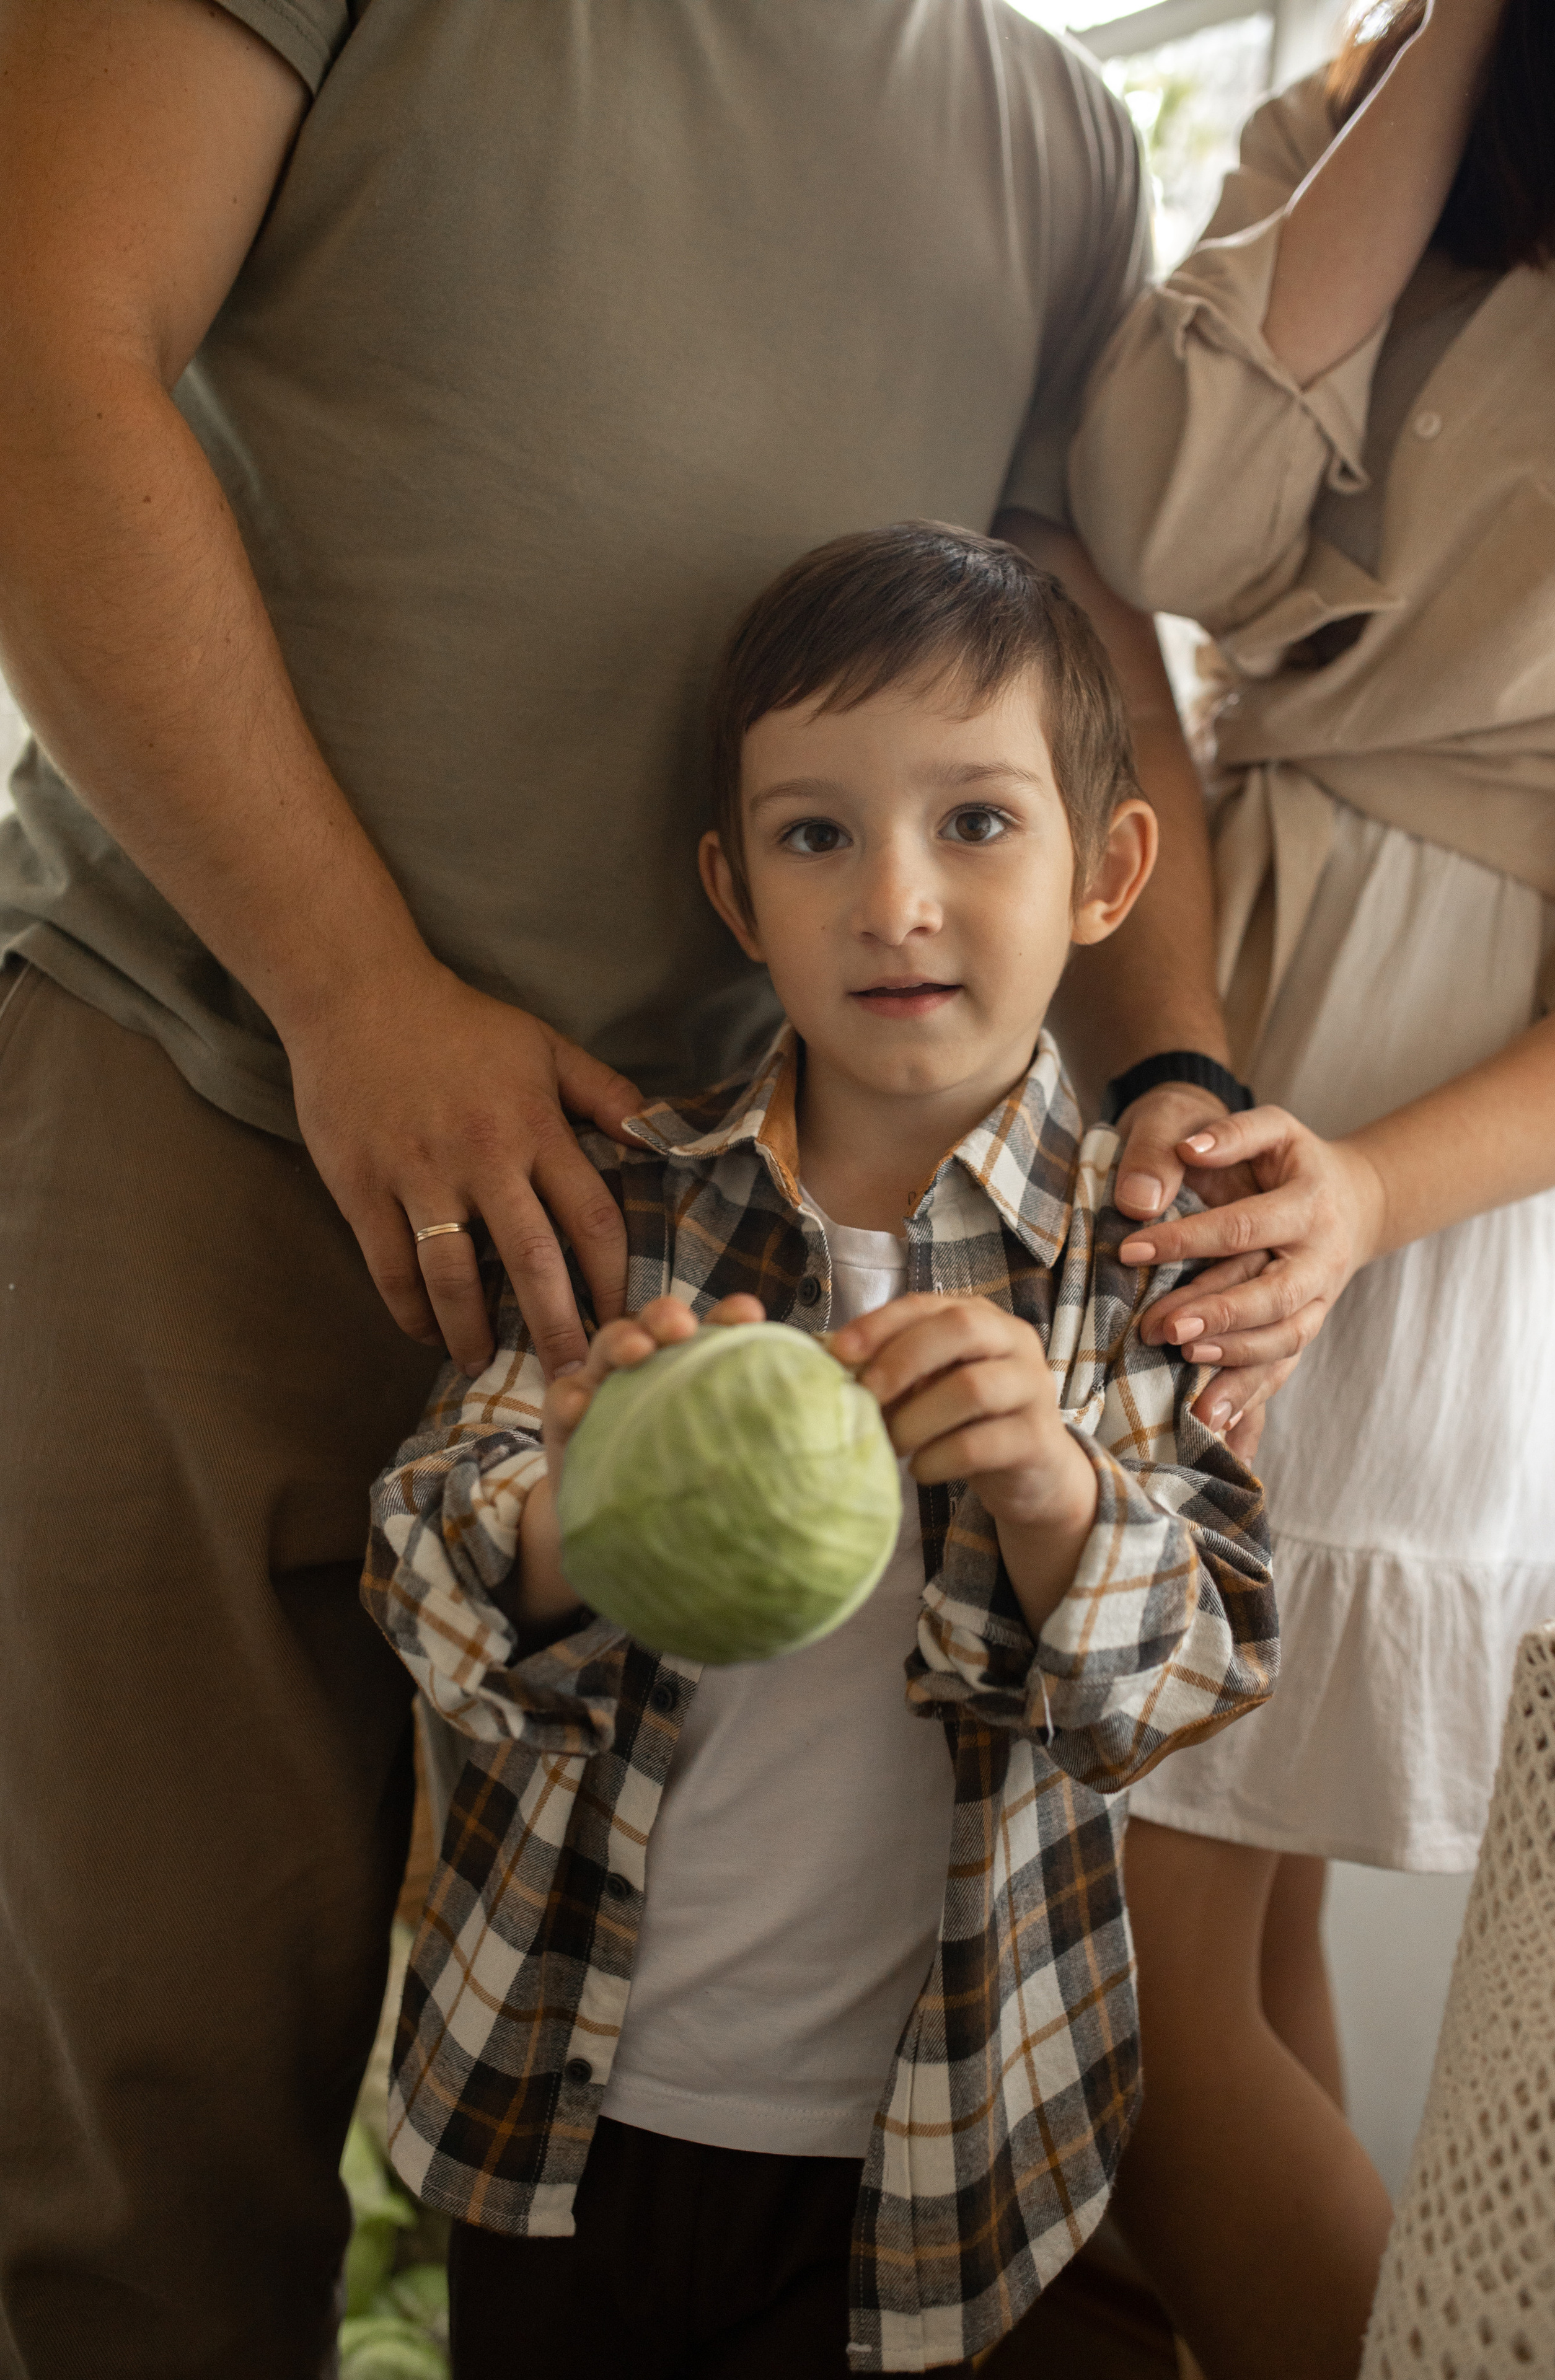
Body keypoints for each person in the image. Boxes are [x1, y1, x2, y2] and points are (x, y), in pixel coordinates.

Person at [0, 6, 1256, 2370]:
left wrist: (1175, 1069)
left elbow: (1075, 648)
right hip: (213, 1082)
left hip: (693, 1231)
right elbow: (37, 343)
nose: (908, 884)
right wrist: (352, 990)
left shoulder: (1057, 138)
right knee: (147, 2111)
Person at [361, 524, 1277, 2379]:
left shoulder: (1138, 1270)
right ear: (734, 888)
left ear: (1108, 873)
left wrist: (1055, 1490)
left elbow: (1199, 1675)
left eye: (977, 823)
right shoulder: (626, 1211)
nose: (895, 902)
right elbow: (417, 1564)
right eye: (815, 837)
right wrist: (571, 1512)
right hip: (565, 2107)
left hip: (939, 2149)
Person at [1065, 1, 1555, 2373]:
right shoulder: (1399, 103)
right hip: (1218, 982)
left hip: (1420, 1123)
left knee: (1127, 1999)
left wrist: (1369, 1190)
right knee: (1230, 1935)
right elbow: (1159, 522)